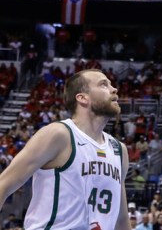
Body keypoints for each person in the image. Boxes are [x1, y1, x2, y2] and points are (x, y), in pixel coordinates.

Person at [0, 69, 129, 230]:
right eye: (103, 85)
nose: (114, 89)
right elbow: (4, 184)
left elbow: (121, 220)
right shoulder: (59, 134)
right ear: (83, 98)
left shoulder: (119, 150)